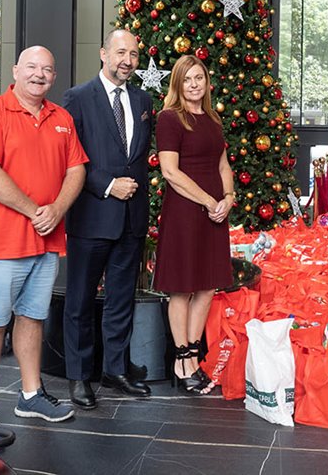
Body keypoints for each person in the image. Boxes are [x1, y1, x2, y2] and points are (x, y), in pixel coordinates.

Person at [0, 46, 87, 426]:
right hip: (3, 243)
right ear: (16, 70)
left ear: (54, 76)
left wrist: (58, 209)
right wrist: (35, 211)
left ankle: (31, 395)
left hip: (47, 241)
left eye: (47, 69)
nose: (40, 74)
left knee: (33, 318)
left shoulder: (61, 117)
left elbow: (76, 170)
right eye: (32, 67)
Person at [62, 29, 154, 407]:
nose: (127, 60)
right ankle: (79, 376)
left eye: (133, 54)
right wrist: (107, 185)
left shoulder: (144, 99)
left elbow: (139, 156)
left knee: (121, 300)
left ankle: (115, 370)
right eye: (120, 52)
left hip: (131, 219)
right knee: (80, 302)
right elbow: (70, 156)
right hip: (91, 216)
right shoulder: (78, 98)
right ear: (103, 53)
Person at [154, 55, 234, 394]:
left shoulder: (213, 119)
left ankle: (193, 356)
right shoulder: (170, 119)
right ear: (178, 84)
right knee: (183, 287)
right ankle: (181, 359)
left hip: (216, 212)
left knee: (207, 286)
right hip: (186, 212)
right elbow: (170, 172)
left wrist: (228, 198)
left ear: (206, 81)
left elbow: (223, 164)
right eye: (187, 79)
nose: (194, 84)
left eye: (199, 77)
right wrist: (208, 201)